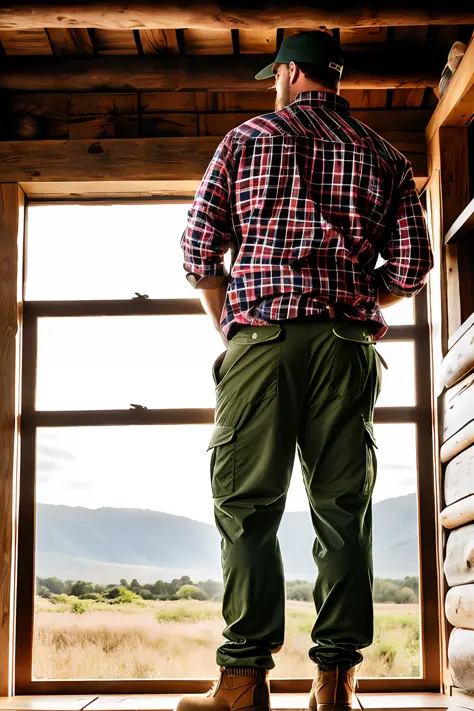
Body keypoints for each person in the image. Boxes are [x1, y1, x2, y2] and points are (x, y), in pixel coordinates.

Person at [178, 30, 433, 711]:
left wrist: (231, 326)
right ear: (333, 78)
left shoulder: (246, 139)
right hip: (346, 349)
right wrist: (349, 302)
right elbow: (410, 269)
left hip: (261, 342)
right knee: (343, 511)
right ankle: (335, 683)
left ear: (290, 74)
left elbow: (200, 247)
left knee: (245, 506)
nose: (274, 85)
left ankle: (242, 681)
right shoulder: (385, 155)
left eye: (275, 76)